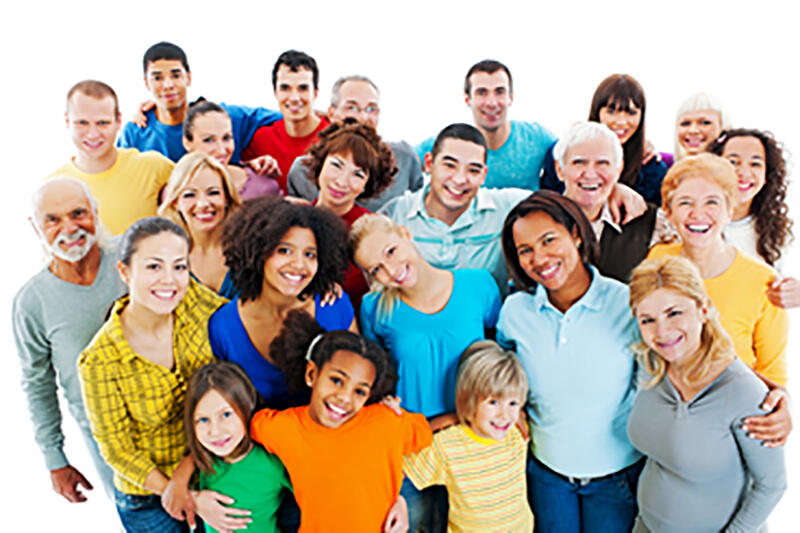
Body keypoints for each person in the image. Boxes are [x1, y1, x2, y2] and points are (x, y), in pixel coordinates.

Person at [497, 191, 643, 533]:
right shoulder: (515, 312)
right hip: (547, 476)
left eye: (549, 240)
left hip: (617, 477)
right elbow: (504, 369)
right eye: (525, 251)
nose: (540, 258)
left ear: (576, 234)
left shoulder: (627, 303)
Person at [351, 213, 501, 532]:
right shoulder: (373, 308)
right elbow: (379, 378)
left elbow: (500, 357)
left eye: (390, 251)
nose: (390, 270)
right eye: (375, 268)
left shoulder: (478, 284)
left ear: (406, 234)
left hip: (473, 439)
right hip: (413, 448)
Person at [78, 217, 228, 532]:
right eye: (154, 267)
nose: (170, 280)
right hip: (147, 497)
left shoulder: (193, 301)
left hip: (210, 468)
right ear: (125, 272)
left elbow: (243, 321)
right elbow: (116, 450)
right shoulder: (100, 361)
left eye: (180, 266)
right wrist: (177, 491)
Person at [627, 256, 786, 532]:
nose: (661, 331)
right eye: (647, 320)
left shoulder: (744, 392)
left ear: (703, 309)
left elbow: (771, 484)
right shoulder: (651, 368)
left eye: (674, 313)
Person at [252, 310, 432, 533]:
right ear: (312, 374)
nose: (345, 398)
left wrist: (395, 410)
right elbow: (251, 426)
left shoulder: (386, 421)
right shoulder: (282, 428)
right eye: (337, 380)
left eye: (360, 391)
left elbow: (423, 432)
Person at [13, 179, 126, 505]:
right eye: (53, 219)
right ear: (36, 227)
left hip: (175, 423)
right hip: (106, 443)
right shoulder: (32, 302)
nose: (69, 227)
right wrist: (55, 460)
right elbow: (37, 384)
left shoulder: (133, 257)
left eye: (78, 213)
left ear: (96, 212)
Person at [648, 153, 789, 386]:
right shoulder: (657, 259)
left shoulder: (764, 281)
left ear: (729, 211)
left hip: (734, 408)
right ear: (669, 214)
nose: (698, 213)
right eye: (685, 203)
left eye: (712, 202)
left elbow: (774, 373)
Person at [208, 196, 355, 408]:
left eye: (310, 254)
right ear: (258, 252)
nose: (299, 265)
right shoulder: (224, 326)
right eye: (284, 250)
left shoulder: (332, 304)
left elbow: (360, 373)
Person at [383, 123, 531, 294]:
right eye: (449, 165)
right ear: (429, 164)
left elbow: (558, 205)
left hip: (485, 319)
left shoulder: (504, 207)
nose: (460, 179)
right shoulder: (395, 214)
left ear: (483, 175)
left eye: (473, 170)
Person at [403, 340, 533, 532]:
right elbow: (402, 469)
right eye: (493, 402)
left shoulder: (516, 434)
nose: (504, 415)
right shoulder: (447, 445)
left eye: (512, 403)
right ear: (469, 400)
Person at [119, 41, 282, 164]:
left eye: (176, 76)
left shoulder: (221, 118)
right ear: (147, 83)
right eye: (157, 78)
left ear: (188, 77)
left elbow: (285, 116)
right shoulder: (135, 132)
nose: (168, 85)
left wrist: (248, 167)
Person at [553, 121, 676, 282]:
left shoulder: (652, 222)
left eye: (602, 163)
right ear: (560, 170)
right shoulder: (538, 220)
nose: (590, 174)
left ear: (618, 169)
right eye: (579, 162)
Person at [47, 80, 174, 235]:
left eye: (102, 123)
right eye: (82, 123)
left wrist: (168, 108)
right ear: (68, 121)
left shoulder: (154, 167)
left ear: (118, 121)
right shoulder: (53, 187)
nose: (93, 134)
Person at [287, 74, 424, 210]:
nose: (363, 117)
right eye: (352, 107)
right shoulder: (301, 172)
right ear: (332, 113)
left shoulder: (404, 157)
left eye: (371, 109)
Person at [415, 59, 556, 190]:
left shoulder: (537, 138)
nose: (491, 103)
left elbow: (571, 161)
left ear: (511, 97)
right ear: (467, 99)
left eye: (499, 92)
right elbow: (402, 162)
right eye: (481, 92)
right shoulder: (447, 144)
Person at [184, 362, 291, 533]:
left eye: (226, 414)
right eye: (203, 420)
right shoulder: (203, 461)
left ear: (247, 406)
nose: (215, 431)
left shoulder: (272, 462)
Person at [304, 119, 397, 307]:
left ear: (366, 185)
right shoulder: (297, 218)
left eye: (358, 174)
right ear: (321, 164)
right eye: (337, 165)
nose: (342, 181)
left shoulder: (371, 229)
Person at [541, 74, 668, 205]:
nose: (621, 121)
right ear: (597, 112)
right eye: (611, 111)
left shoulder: (652, 169)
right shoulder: (563, 152)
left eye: (631, 113)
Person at [709, 128, 799, 308]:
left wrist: (791, 292)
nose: (744, 172)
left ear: (767, 175)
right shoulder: (694, 223)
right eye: (733, 162)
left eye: (755, 164)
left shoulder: (776, 230)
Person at [158, 151, 243, 298]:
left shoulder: (249, 250)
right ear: (175, 202)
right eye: (190, 195)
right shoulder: (164, 258)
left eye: (213, 193)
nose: (203, 204)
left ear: (227, 198)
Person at [242, 50, 331, 190]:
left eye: (303, 88)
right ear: (275, 93)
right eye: (285, 88)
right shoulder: (260, 140)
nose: (294, 97)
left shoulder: (333, 139)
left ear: (316, 93)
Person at [182, 100, 281, 199]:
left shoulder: (261, 187)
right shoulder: (177, 190)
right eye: (208, 140)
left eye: (226, 138)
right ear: (187, 143)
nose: (221, 150)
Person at [672, 92, 732, 162]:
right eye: (685, 123)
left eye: (704, 123)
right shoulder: (664, 166)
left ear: (723, 127)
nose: (693, 130)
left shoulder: (735, 169)